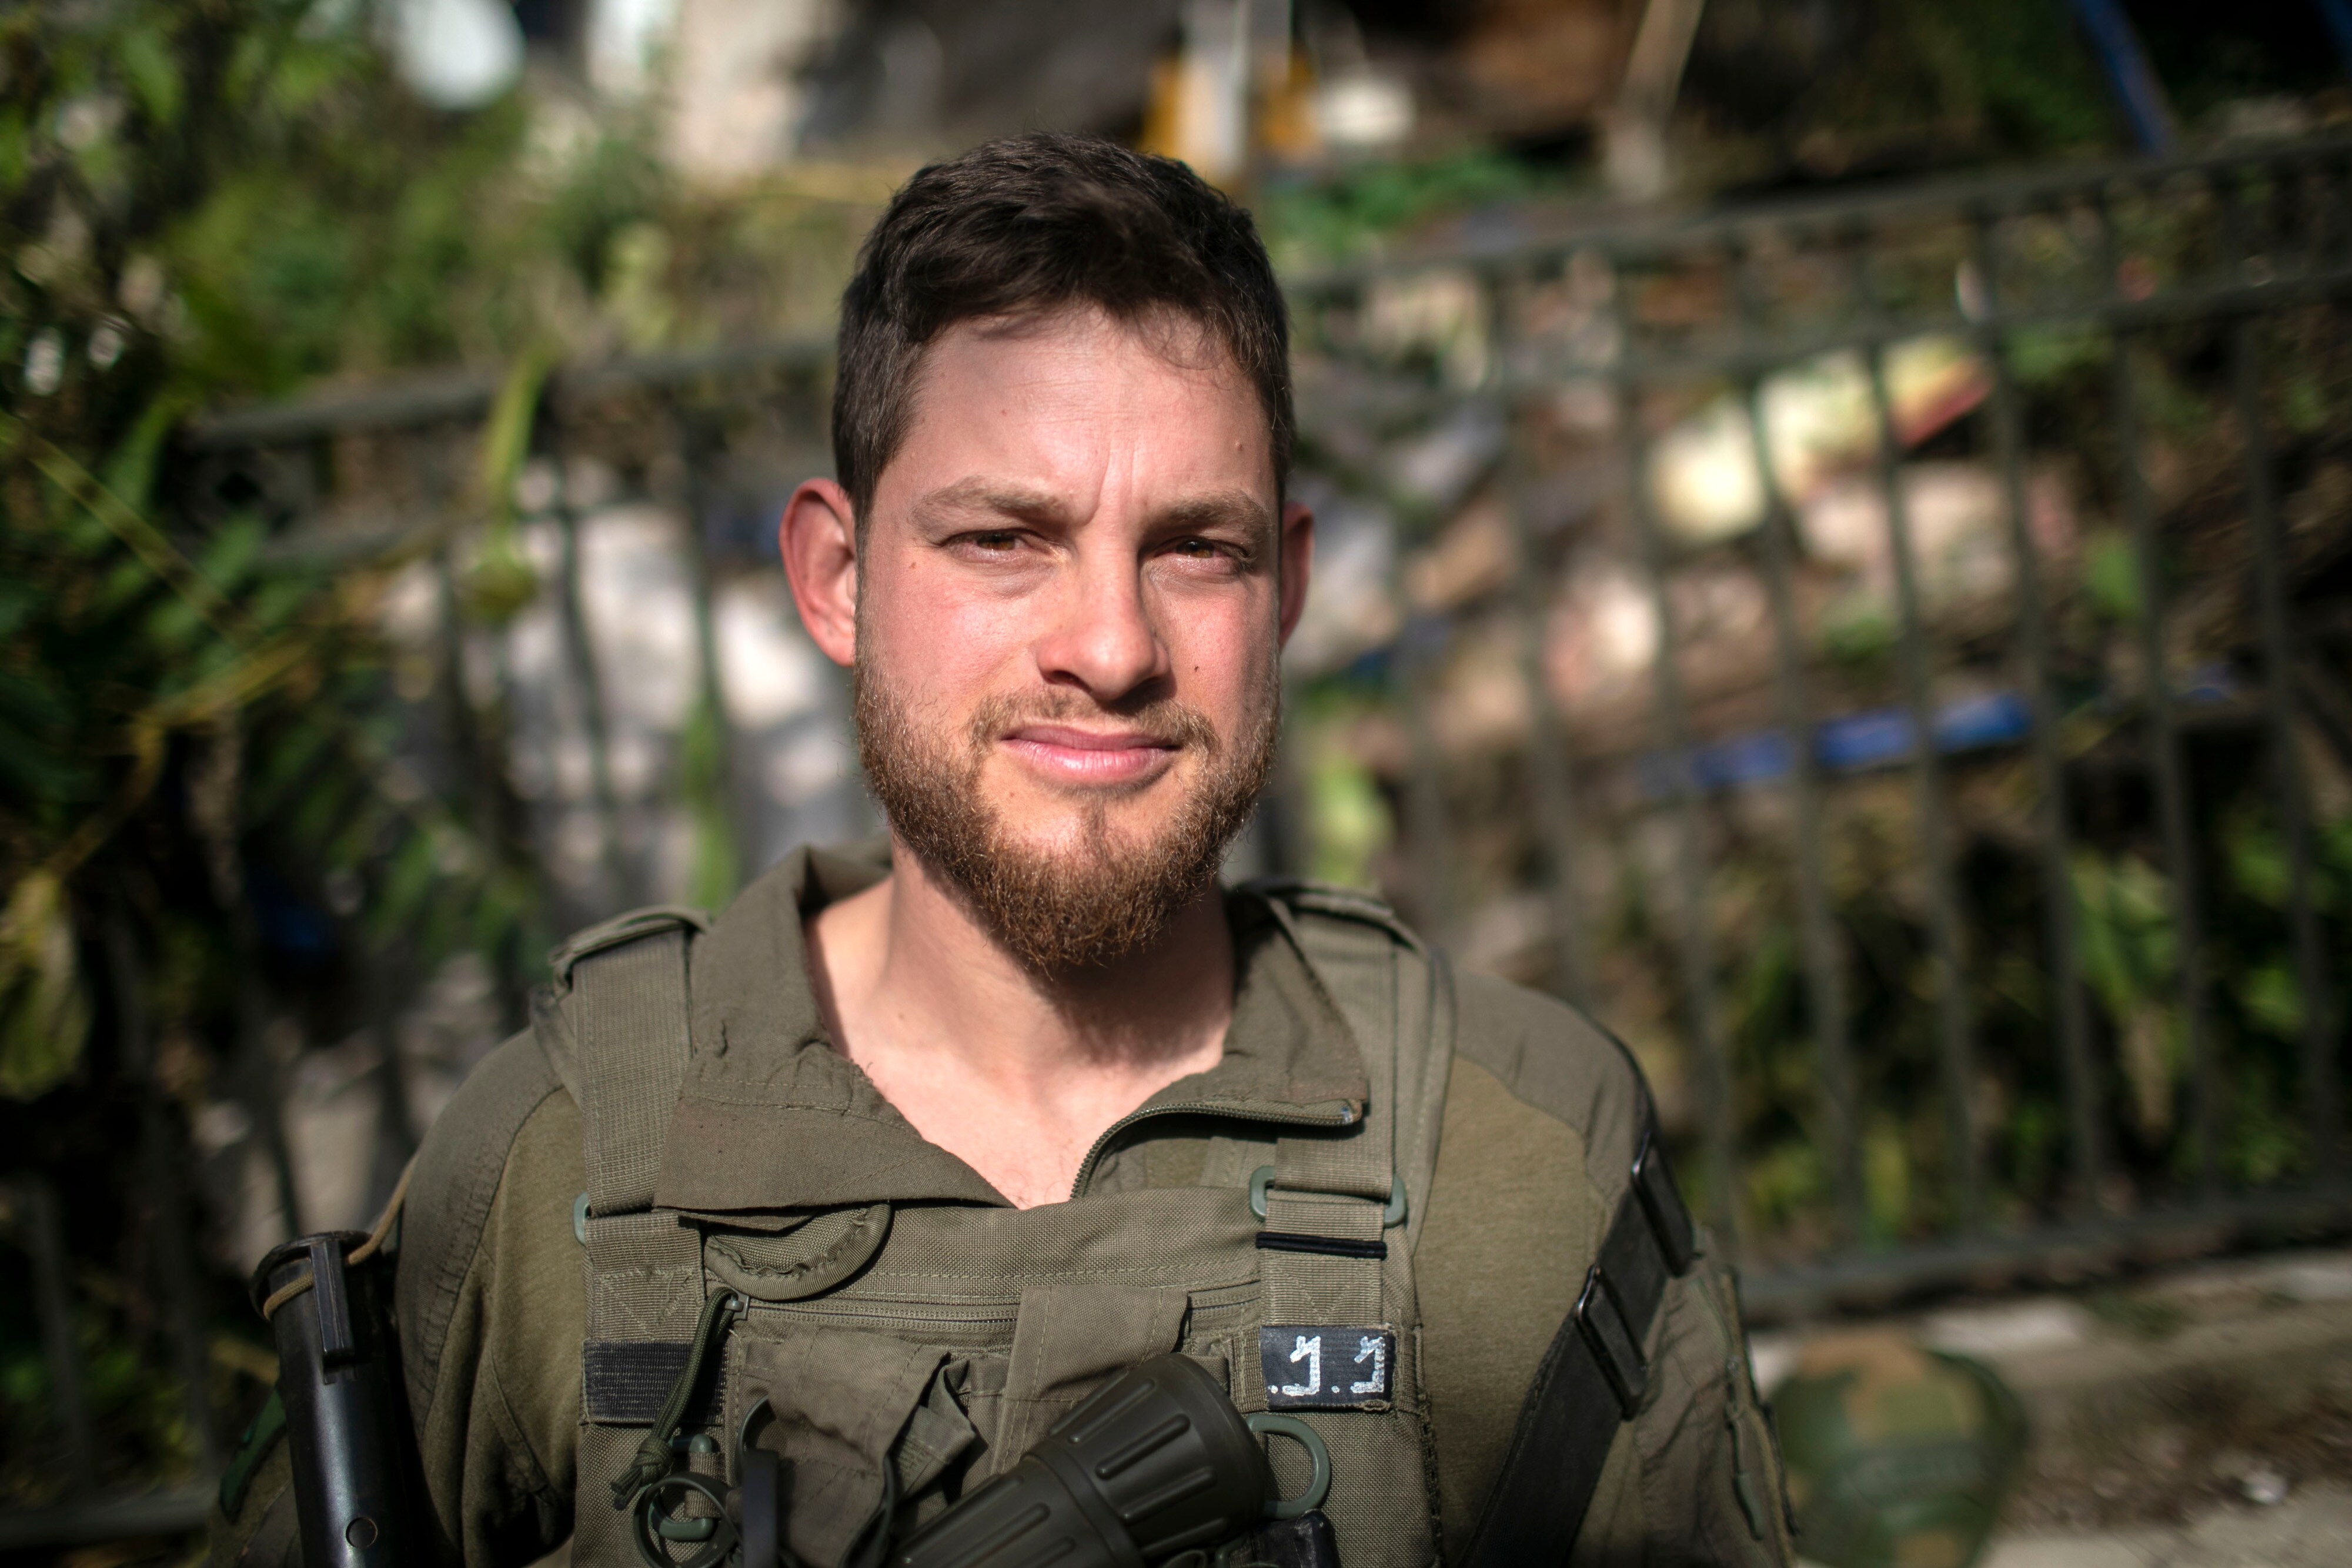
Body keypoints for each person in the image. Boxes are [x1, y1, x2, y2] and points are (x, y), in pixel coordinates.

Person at [212, 132, 1791, 1568]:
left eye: (1197, 548)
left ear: (1289, 590)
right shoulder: (560, 1169)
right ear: (836, 578)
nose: (1111, 645)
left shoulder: (1511, 1150)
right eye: (1003, 540)